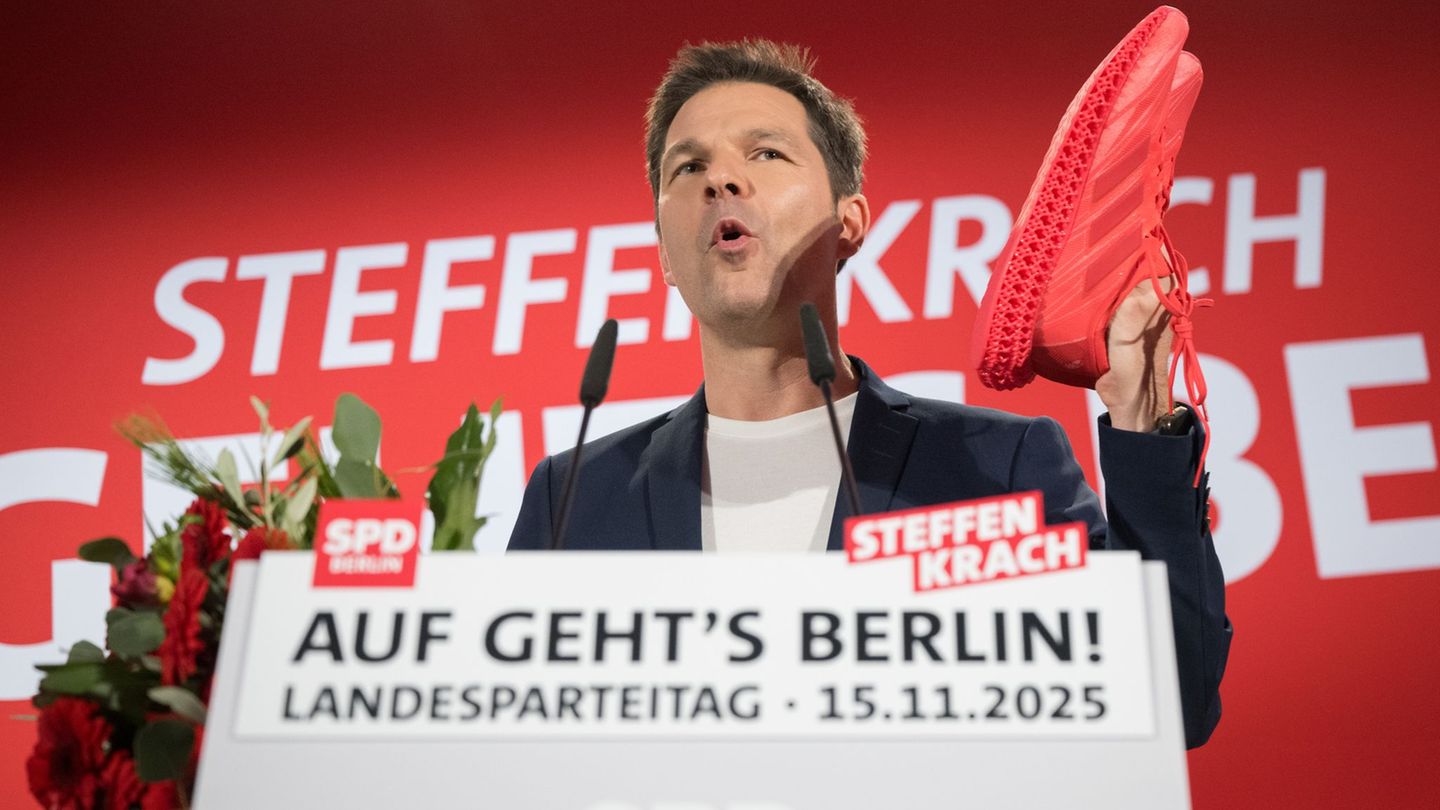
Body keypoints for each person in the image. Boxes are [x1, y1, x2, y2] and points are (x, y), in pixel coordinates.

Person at [508, 39, 1230, 748]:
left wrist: (1141, 419)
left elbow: (1171, 698)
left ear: (848, 223)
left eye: (765, 153)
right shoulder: (571, 496)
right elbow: (508, 748)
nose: (720, 181)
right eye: (689, 165)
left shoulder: (995, 466)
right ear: (666, 252)